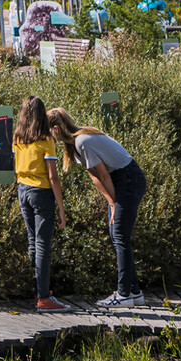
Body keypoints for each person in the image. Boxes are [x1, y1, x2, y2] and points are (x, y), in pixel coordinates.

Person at [48, 108, 149, 308]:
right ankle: (134, 291)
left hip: (128, 179)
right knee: (115, 233)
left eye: (48, 130)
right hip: (121, 180)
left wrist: (113, 203)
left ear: (56, 129)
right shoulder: (75, 144)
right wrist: (111, 202)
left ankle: (124, 294)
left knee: (119, 234)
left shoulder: (82, 141)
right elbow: (95, 177)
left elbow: (103, 175)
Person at [13, 96, 70, 312]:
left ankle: (38, 292)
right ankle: (44, 298)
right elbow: (53, 177)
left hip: (22, 191)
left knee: (32, 242)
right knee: (43, 245)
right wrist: (61, 209)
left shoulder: (17, 139)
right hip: (41, 193)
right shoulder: (46, 141)